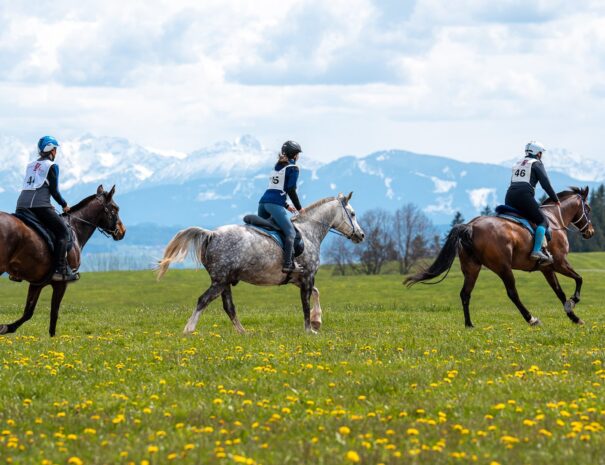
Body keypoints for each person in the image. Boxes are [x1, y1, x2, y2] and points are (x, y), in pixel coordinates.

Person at [16, 136, 78, 281]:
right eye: (55, 149)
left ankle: (17, 269)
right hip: (39, 207)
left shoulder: (30, 165)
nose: (56, 152)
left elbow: (35, 186)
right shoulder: (51, 166)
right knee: (63, 232)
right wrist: (64, 205)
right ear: (51, 150)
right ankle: (59, 269)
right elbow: (54, 191)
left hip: (21, 205)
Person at [505, 141, 560, 263]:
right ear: (538, 153)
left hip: (509, 196)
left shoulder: (518, 163)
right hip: (524, 196)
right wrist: (555, 199)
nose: (541, 155)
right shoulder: (536, 164)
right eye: (541, 153)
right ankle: (536, 250)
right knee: (543, 221)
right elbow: (546, 184)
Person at [258, 140, 306, 273]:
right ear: (295, 155)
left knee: (266, 232)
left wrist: (286, 205)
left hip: (263, 204)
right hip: (274, 204)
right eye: (298, 154)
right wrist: (299, 208)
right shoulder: (293, 168)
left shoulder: (277, 166)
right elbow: (291, 189)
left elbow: (274, 189)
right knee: (290, 232)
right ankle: (288, 264)